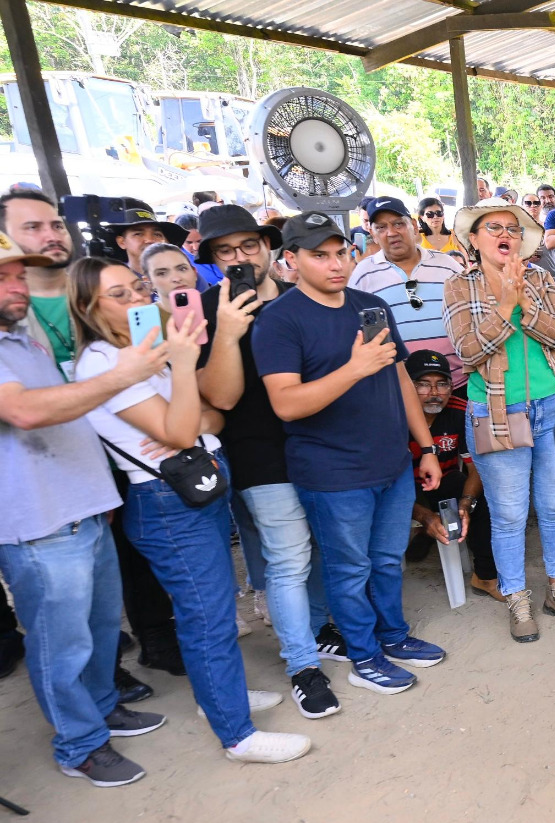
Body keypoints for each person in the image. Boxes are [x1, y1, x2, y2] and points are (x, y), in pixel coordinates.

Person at [69, 256, 312, 765]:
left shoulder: (140, 349)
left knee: (215, 610)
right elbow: (182, 431)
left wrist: (200, 375)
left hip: (194, 488)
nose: (138, 299)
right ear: (88, 309)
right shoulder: (102, 362)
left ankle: (220, 699)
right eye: (120, 295)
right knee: (209, 621)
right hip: (167, 503)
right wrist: (182, 375)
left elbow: (215, 411)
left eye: (135, 288)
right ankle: (236, 735)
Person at [0, 232, 175, 785]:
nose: (16, 284)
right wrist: (123, 375)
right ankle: (79, 745)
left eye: (17, 273)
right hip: (40, 525)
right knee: (60, 643)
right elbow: (24, 413)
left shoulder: (24, 343)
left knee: (100, 629)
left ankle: (101, 710)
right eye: (3, 276)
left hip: (85, 510)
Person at [254, 212, 449, 695]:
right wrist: (355, 368)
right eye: (319, 255)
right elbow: (286, 403)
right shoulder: (278, 320)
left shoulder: (370, 305)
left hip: (392, 462)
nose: (335, 264)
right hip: (333, 470)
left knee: (387, 560)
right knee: (349, 569)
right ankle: (364, 657)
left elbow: (401, 377)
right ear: (291, 261)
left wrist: (424, 447)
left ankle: (393, 636)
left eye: (340, 252)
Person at [194, 205, 345, 719]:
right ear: (214, 259)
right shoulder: (204, 310)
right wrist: (229, 332)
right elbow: (220, 398)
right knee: (288, 559)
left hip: (319, 443)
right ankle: (303, 666)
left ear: (268, 246)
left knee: (324, 546)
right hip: (258, 452)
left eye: (248, 246)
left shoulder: (295, 297)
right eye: (225, 251)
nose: (240, 257)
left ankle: (318, 629)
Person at [442, 197, 555, 643]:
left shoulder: (541, 278)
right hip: (496, 412)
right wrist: (504, 307)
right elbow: (466, 353)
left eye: (513, 228)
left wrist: (525, 302)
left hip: (552, 406)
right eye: (494, 228)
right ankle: (517, 596)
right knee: (507, 513)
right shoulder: (460, 286)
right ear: (474, 239)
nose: (506, 234)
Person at [350, 196, 467, 391]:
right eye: (381, 227)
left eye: (398, 224)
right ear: (372, 232)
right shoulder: (362, 275)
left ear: (413, 225)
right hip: (397, 389)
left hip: (455, 385)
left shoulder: (448, 265)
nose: (391, 233)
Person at [404, 351, 496, 597]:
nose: (434, 392)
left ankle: (485, 577)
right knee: (393, 492)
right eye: (423, 384)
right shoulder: (391, 417)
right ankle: (424, 528)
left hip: (441, 484)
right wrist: (425, 516)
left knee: (474, 494)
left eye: (442, 383)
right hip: (399, 490)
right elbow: (384, 485)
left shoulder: (460, 411)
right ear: (406, 387)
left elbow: (475, 468)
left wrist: (466, 503)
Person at [0, 189, 76, 367]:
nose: (53, 237)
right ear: (4, 237)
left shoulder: (101, 289)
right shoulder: (7, 305)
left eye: (58, 226)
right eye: (33, 227)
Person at [105, 202, 186, 277]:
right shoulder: (113, 280)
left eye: (157, 234)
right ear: (122, 242)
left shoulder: (181, 276)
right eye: (138, 234)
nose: (150, 240)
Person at [140, 243, 198, 311]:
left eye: (182, 269)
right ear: (149, 282)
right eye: (162, 273)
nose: (177, 278)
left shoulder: (213, 303)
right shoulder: (147, 318)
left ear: (194, 272)